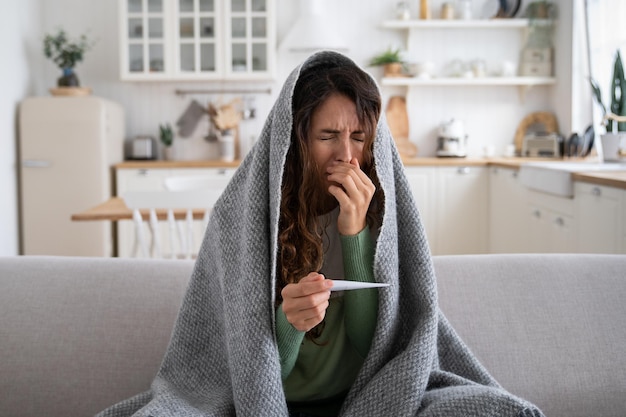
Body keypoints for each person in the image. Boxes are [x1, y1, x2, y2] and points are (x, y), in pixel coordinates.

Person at [97, 51, 544, 417]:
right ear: (293, 141)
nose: (347, 155)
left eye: (359, 137)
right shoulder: (245, 219)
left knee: (495, 410)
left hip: (366, 397)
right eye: (327, 136)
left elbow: (374, 345)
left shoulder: (380, 211)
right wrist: (290, 325)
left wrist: (354, 234)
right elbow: (259, 375)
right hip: (274, 400)